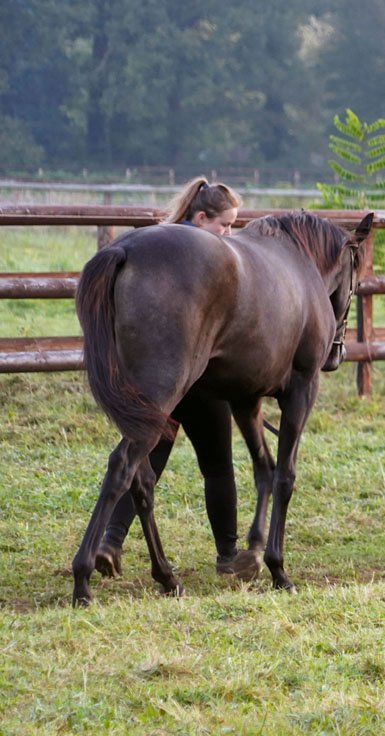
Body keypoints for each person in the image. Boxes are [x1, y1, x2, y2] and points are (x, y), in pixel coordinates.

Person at [95, 177, 245, 577]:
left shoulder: (159, 253)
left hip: (156, 377)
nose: (229, 234)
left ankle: (111, 541)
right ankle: (228, 555)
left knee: (145, 455)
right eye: (225, 225)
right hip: (201, 379)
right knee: (217, 465)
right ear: (201, 217)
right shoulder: (208, 263)